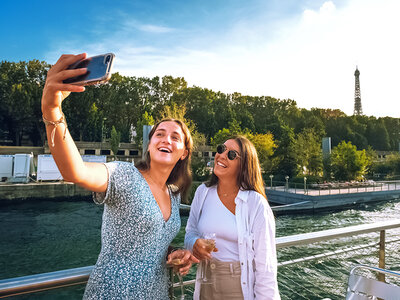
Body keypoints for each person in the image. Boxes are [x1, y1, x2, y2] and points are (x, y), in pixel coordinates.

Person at [41, 53, 198, 299]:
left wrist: (173, 252)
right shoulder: (124, 175)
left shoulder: (174, 194)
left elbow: (150, 241)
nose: (166, 139)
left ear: (183, 153)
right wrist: (52, 108)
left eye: (175, 137)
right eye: (159, 134)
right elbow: (75, 171)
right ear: (149, 145)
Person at [185, 136, 280, 299]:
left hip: (238, 288)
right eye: (221, 149)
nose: (221, 155)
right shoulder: (202, 192)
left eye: (231, 155)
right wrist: (194, 243)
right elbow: (190, 233)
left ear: (244, 165)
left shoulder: (256, 203)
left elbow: (266, 268)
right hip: (205, 283)